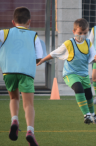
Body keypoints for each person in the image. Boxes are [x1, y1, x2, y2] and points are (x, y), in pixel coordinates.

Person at [37, 18, 96, 124]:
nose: (82, 35)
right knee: (78, 88)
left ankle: (93, 115)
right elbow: (54, 53)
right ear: (74, 32)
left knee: (89, 95)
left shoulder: (88, 43)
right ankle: (87, 115)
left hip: (84, 74)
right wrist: (42, 60)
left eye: (85, 33)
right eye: (80, 33)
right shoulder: (68, 44)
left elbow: (92, 58)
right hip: (70, 74)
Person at [0, 7, 43, 146]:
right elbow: (39, 57)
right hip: (26, 72)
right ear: (29, 22)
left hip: (9, 71)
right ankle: (30, 130)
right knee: (28, 104)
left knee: (13, 98)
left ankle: (14, 120)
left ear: (13, 21)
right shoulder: (34, 36)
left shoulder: (4, 33)